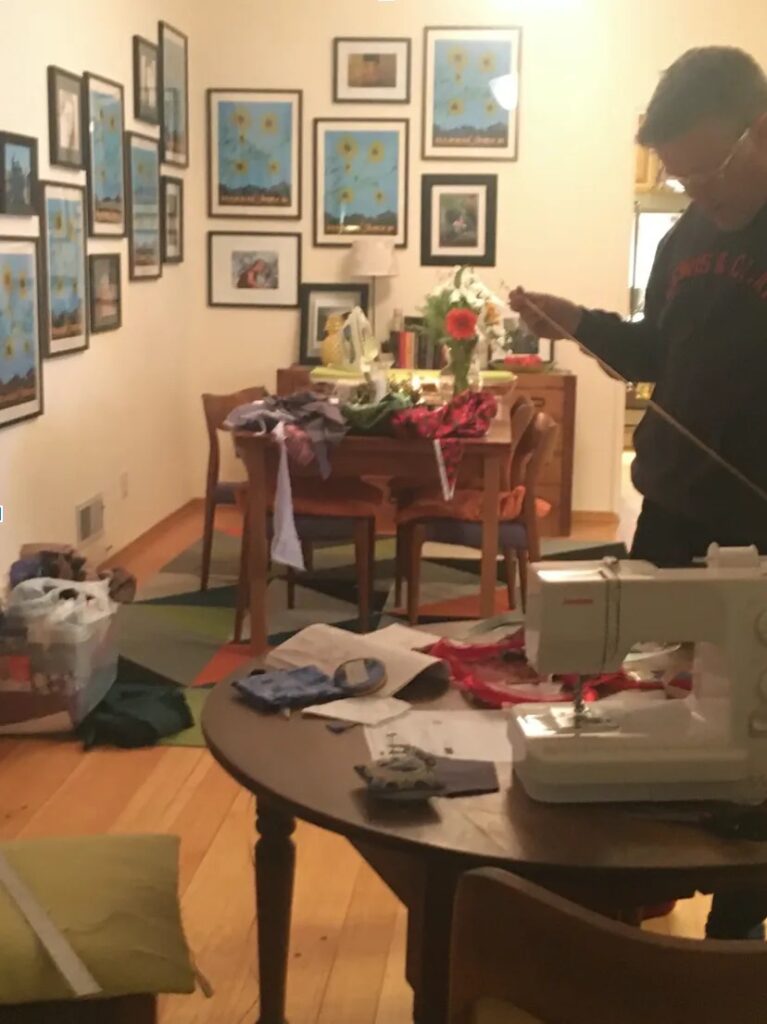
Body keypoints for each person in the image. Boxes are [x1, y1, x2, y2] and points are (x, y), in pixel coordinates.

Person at [510, 46, 767, 941]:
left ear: (759, 127)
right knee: (641, 700)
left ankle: (734, 933)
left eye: (707, 168)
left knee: (757, 741)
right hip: (671, 503)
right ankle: (625, 898)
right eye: (680, 174)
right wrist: (575, 323)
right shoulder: (686, 238)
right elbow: (658, 354)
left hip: (760, 522)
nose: (695, 190)